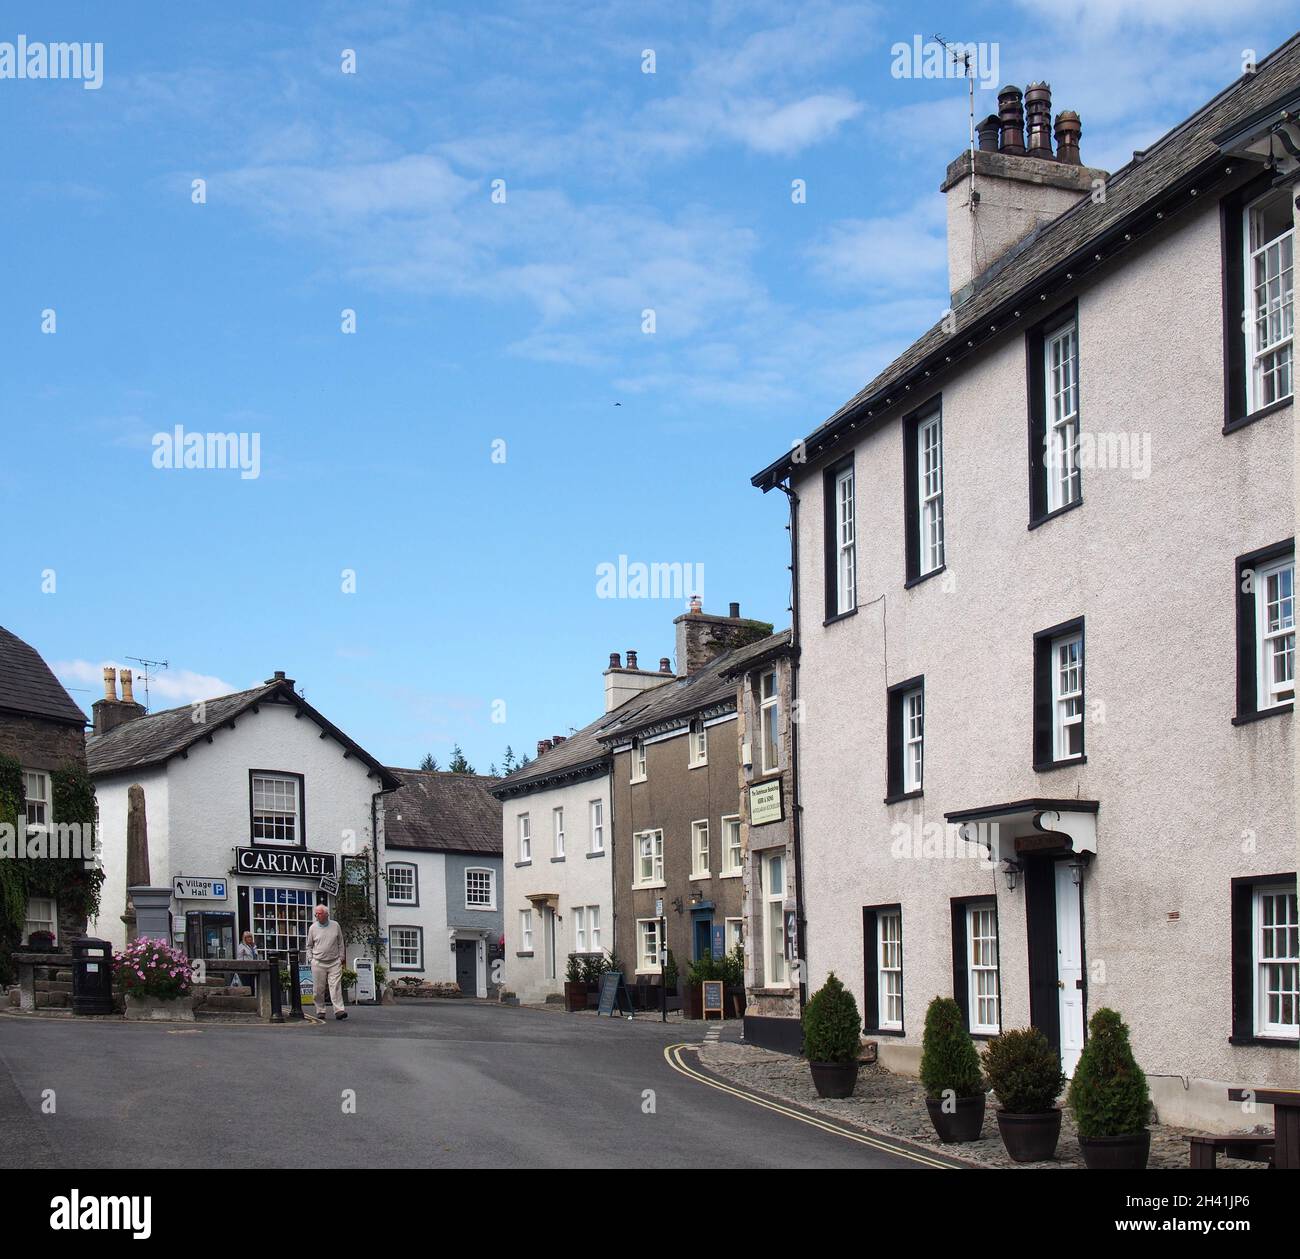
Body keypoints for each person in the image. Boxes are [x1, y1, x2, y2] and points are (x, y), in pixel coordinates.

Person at [306, 904, 347, 1020]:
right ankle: (320, 1010)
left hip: (334, 962)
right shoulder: (313, 928)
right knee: (318, 989)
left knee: (336, 987)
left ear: (326, 914)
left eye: (319, 913)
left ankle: (339, 1010)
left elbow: (340, 942)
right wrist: (311, 959)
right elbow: (309, 946)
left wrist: (341, 958)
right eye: (316, 914)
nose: (316, 916)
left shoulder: (335, 925)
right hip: (318, 962)